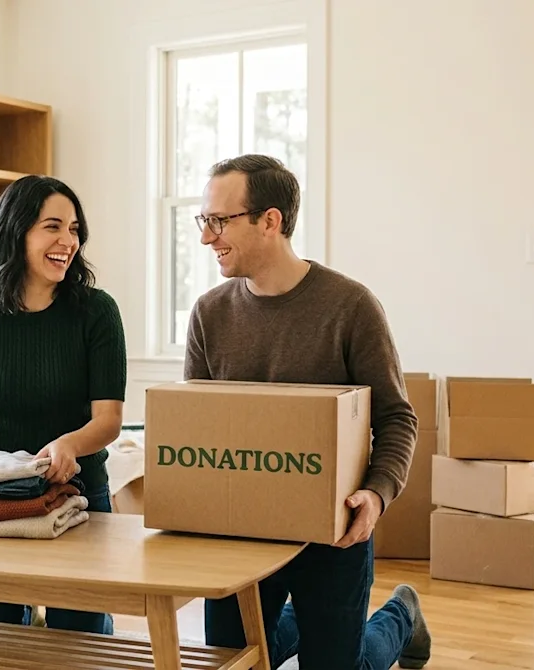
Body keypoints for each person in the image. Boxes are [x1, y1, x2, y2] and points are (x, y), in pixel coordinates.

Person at [185, 154, 432, 669]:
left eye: (219, 221)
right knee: (240, 660)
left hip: (331, 533)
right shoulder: (210, 313)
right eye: (203, 221)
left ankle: (401, 616)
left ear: (269, 221)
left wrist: (378, 493)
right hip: (241, 531)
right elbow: (198, 427)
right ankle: (299, 625)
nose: (207, 237)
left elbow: (397, 417)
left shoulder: (350, 307)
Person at [0, 174, 127, 635]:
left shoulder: (97, 312)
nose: (68, 241)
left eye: (75, 229)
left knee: (79, 644)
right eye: (53, 227)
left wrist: (69, 445)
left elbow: (109, 420)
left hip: (78, 493)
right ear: (16, 232)